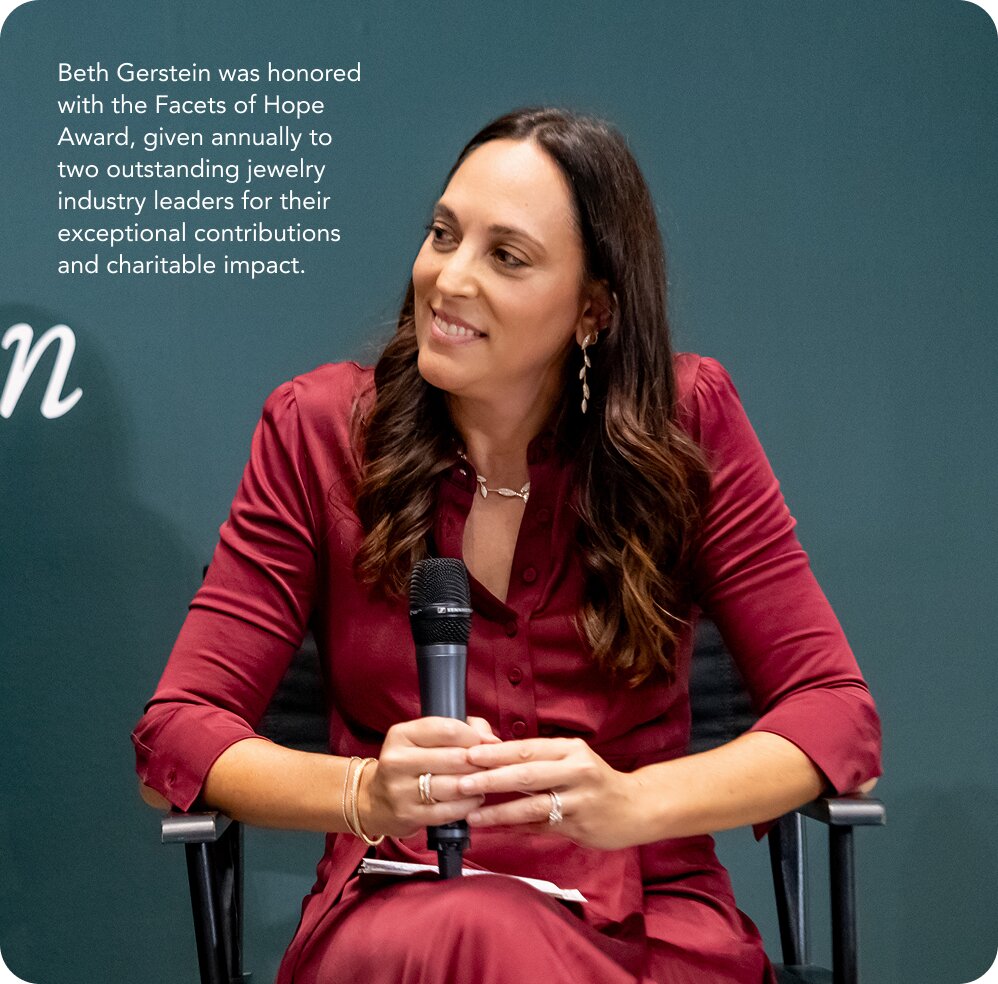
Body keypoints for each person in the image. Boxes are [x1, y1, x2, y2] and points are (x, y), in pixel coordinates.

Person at [133, 107, 881, 983]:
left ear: (592, 310)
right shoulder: (319, 432)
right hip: (399, 914)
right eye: (443, 234)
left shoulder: (688, 424)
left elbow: (835, 711)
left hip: (644, 919)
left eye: (507, 256)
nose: (448, 279)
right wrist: (363, 794)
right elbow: (176, 734)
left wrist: (631, 803)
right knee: (470, 930)